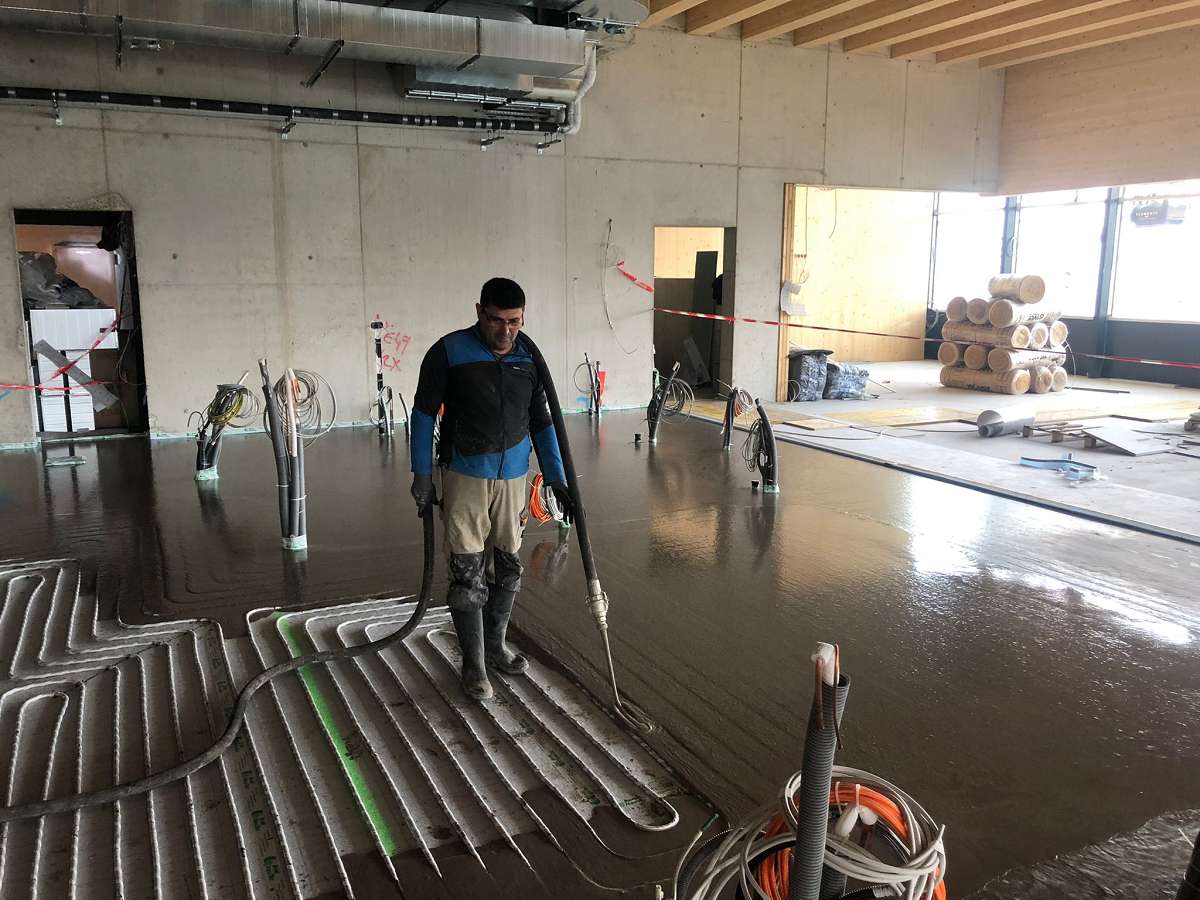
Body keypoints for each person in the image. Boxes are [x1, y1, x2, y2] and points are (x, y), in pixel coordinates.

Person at [409, 277, 573, 700]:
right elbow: (423, 414)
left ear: (523, 318)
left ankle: (496, 646)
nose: (506, 331)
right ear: (479, 311)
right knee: (467, 571)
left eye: (514, 322)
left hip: (514, 478)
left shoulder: (528, 359)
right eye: (497, 320)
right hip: (465, 476)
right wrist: (421, 474)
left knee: (508, 565)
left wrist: (556, 477)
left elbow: (542, 422)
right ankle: (474, 664)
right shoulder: (449, 352)